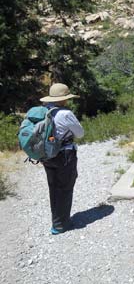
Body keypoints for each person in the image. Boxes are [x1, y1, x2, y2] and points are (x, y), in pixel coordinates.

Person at [39, 83, 84, 235]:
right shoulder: (65, 114)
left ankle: (56, 221)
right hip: (64, 155)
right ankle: (61, 224)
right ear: (64, 99)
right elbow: (80, 134)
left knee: (54, 188)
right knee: (65, 188)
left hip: (47, 155)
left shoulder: (44, 111)